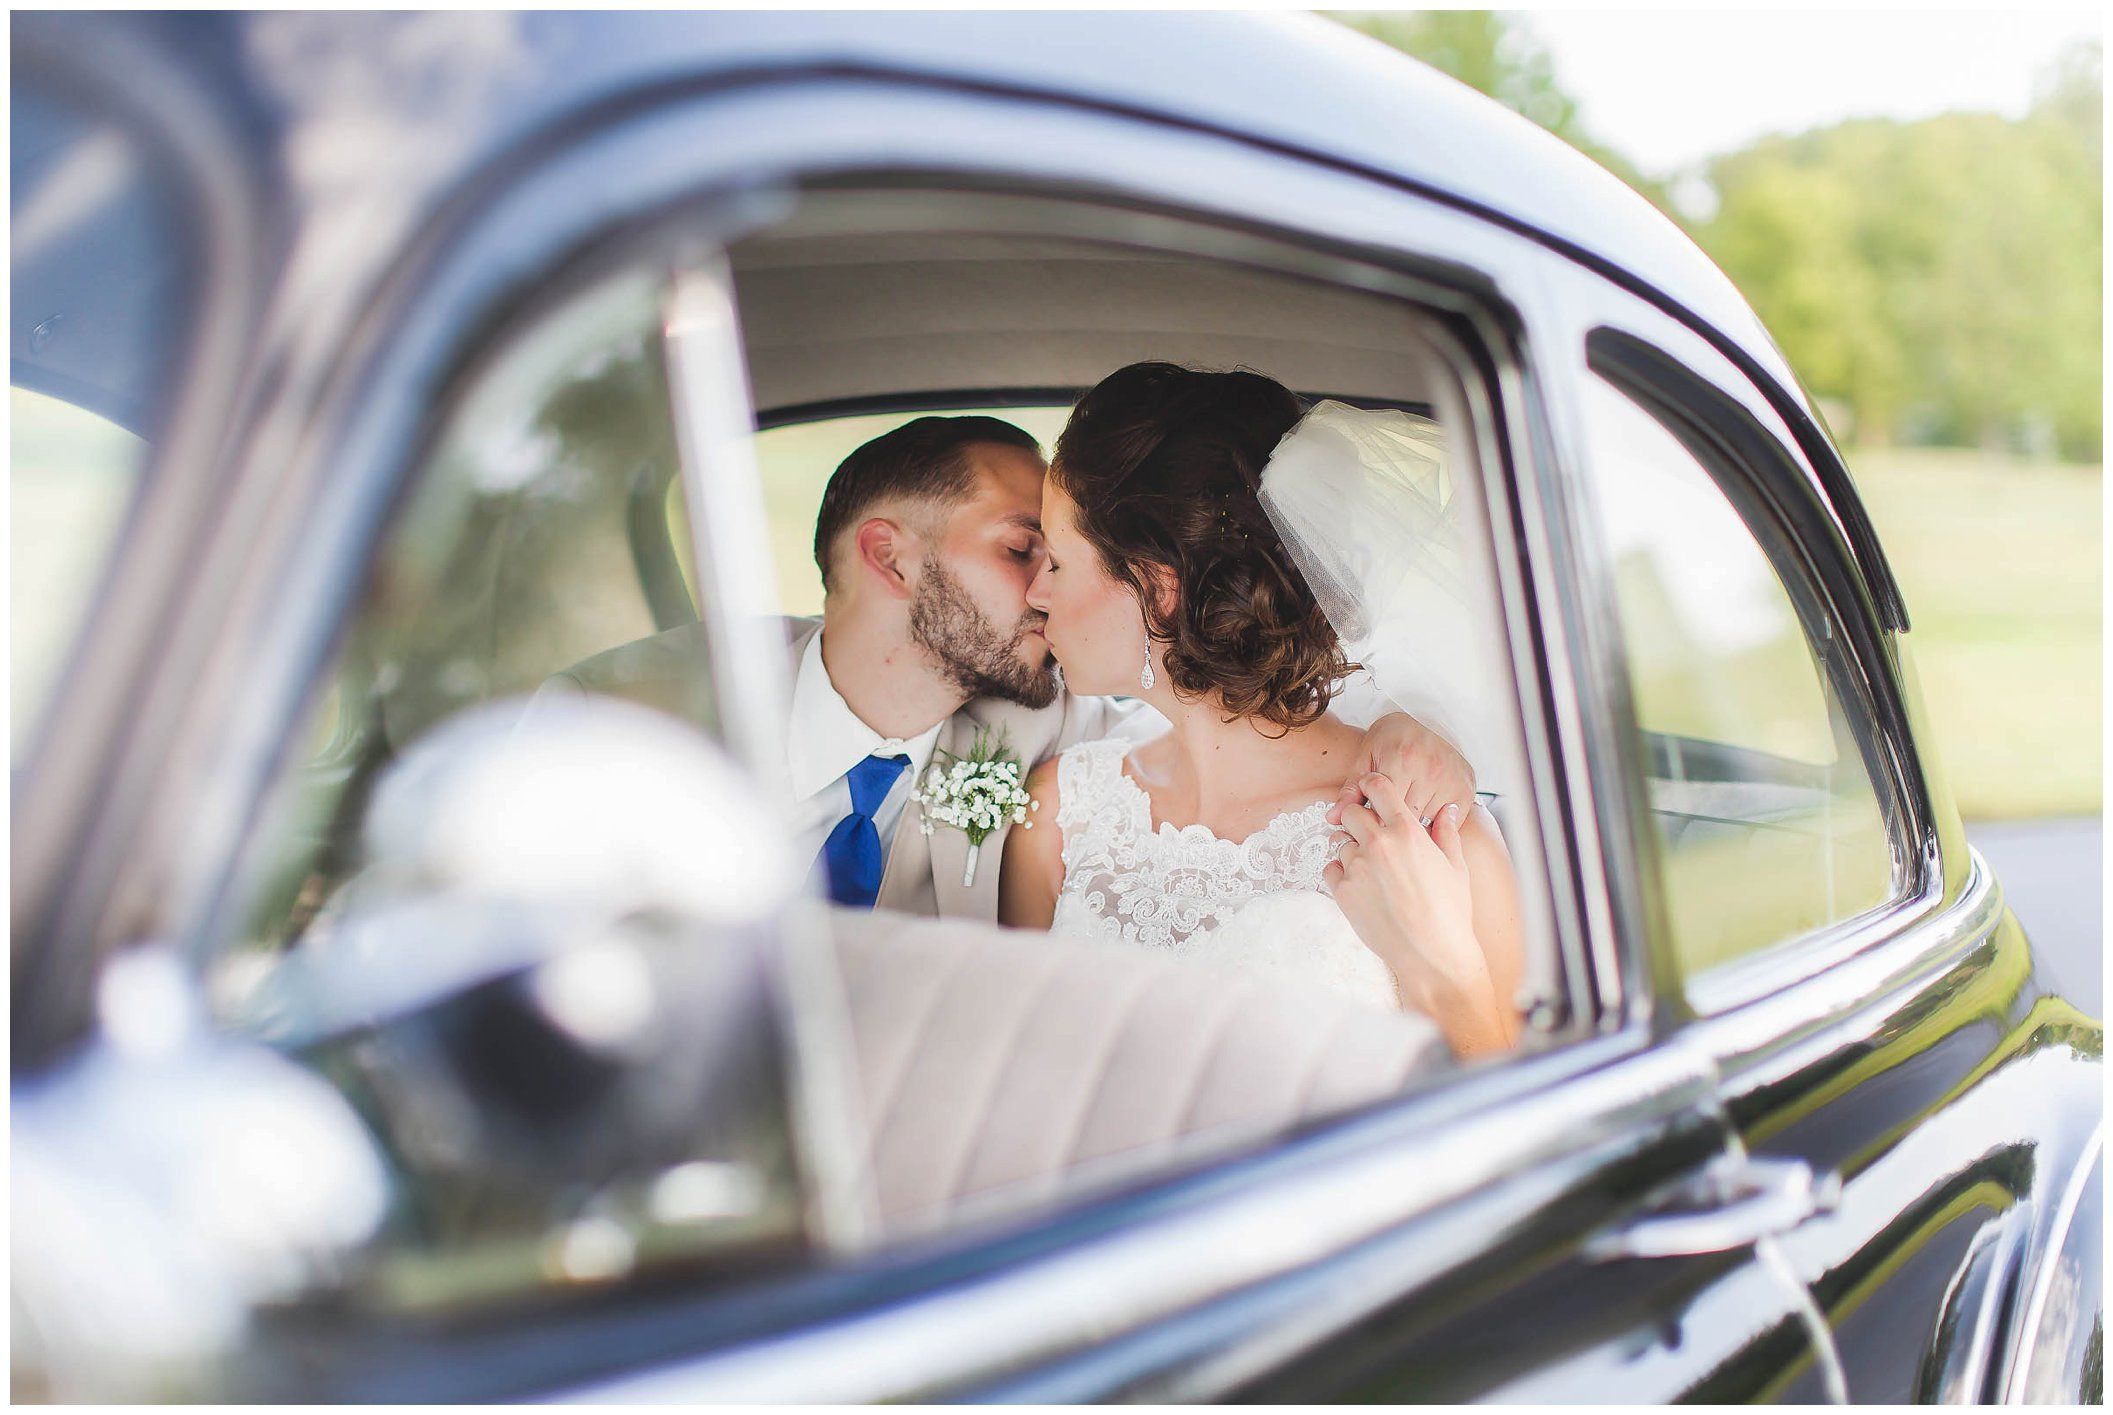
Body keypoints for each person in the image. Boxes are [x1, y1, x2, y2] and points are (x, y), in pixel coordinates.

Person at [545, 414, 1479, 922]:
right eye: (1020, 547)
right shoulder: (616, 724)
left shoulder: (1051, 722)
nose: (1048, 593)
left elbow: (1227, 722)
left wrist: (1401, 727)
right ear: (891, 557)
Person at [998, 363, 1523, 1059]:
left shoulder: (1424, 829)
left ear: (1156, 591)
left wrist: (1441, 975)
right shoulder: (1060, 815)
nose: (1034, 592)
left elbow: (1527, 1125)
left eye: (1059, 562)